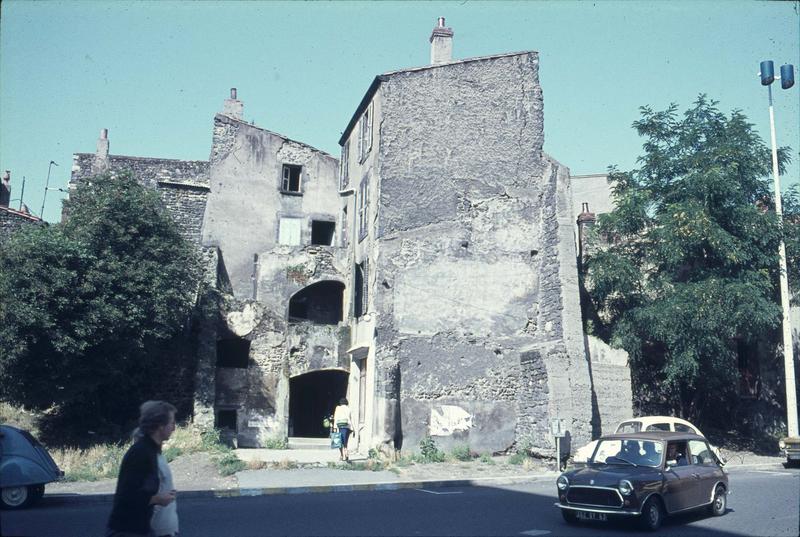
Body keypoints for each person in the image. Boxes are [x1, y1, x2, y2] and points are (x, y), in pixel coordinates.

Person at [107, 401, 178, 537]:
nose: (174, 428)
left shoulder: (152, 451)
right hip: (129, 531)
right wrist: (157, 499)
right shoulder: (140, 453)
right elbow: (126, 497)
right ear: (160, 426)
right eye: (172, 423)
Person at [333, 398, 353, 462]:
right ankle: (346, 453)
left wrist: (334, 427)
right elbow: (351, 419)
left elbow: (336, 418)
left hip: (340, 427)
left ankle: (342, 455)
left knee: (339, 442)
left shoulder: (338, 408)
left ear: (340, 402)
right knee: (345, 442)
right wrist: (353, 429)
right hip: (347, 427)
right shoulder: (349, 409)